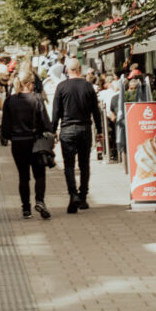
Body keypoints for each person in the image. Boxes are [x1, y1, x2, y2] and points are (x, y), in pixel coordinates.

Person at [0, 67, 53, 219]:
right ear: (29, 83)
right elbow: (45, 123)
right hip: (35, 141)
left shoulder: (10, 100)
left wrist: (10, 137)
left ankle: (26, 209)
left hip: (18, 143)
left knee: (23, 176)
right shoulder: (36, 99)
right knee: (39, 174)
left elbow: (5, 127)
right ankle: (40, 201)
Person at [51, 57, 99, 213]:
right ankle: (83, 196)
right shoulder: (88, 86)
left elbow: (56, 112)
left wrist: (53, 130)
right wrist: (100, 130)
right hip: (85, 128)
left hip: (67, 129)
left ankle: (73, 195)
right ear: (80, 70)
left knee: (69, 165)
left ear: (67, 70)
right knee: (84, 164)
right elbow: (95, 110)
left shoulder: (61, 87)